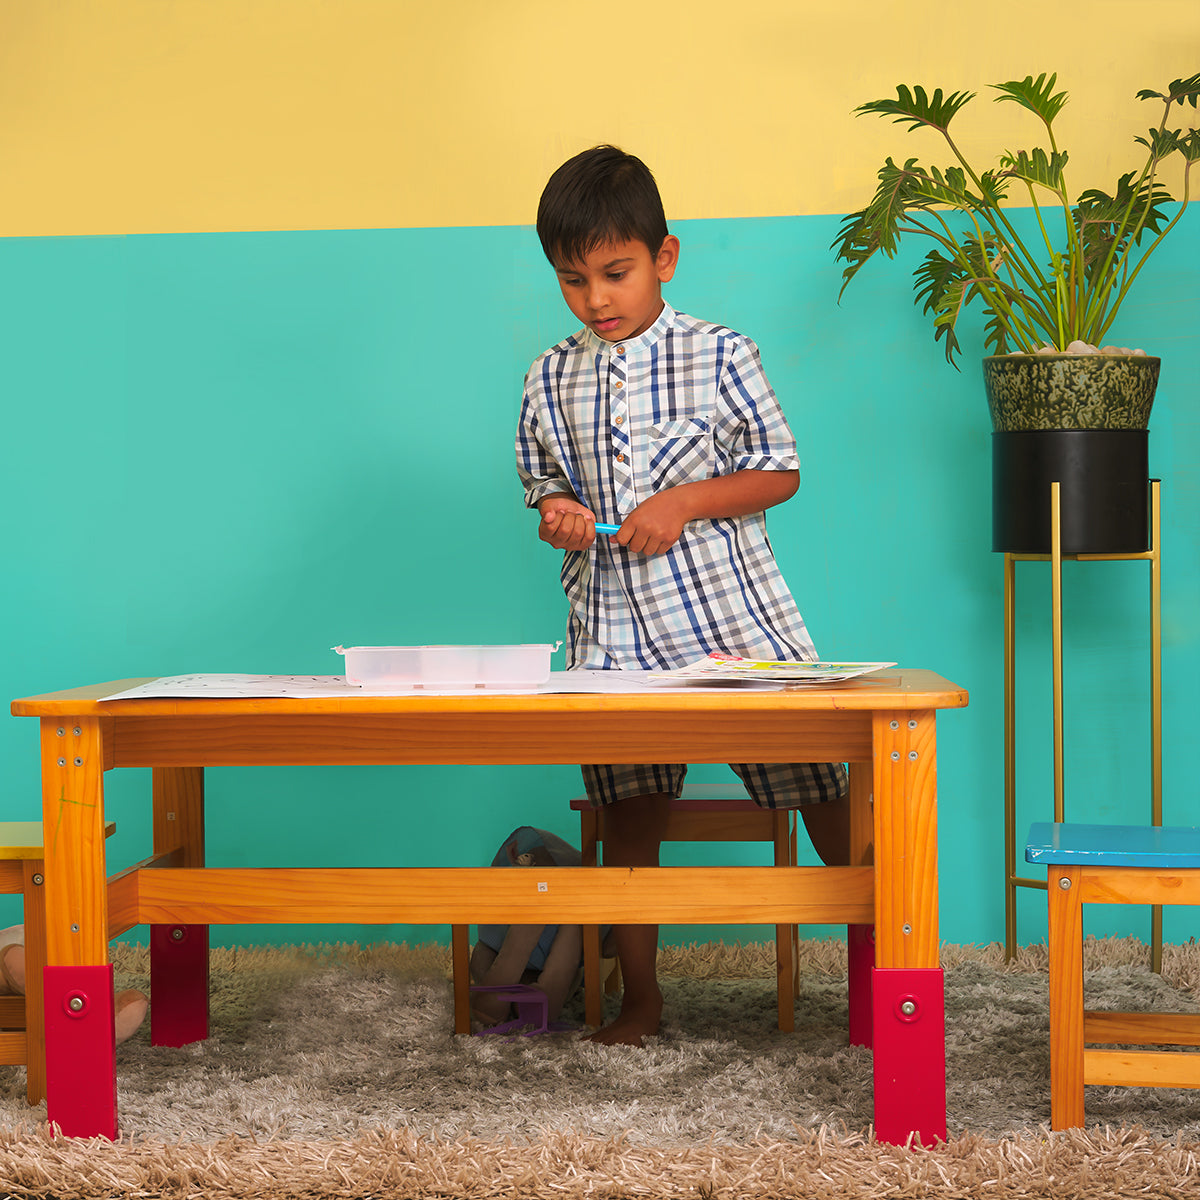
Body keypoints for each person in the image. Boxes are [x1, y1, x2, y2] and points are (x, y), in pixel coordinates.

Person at [515, 144, 849, 1047]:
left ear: (665, 257)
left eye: (616, 274)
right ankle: (643, 1002)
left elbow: (778, 470)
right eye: (572, 281)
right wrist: (559, 513)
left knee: (822, 790)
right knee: (628, 816)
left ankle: (877, 981)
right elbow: (542, 484)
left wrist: (687, 502)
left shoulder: (720, 353)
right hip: (614, 631)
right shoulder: (550, 375)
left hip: (735, 622)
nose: (597, 300)